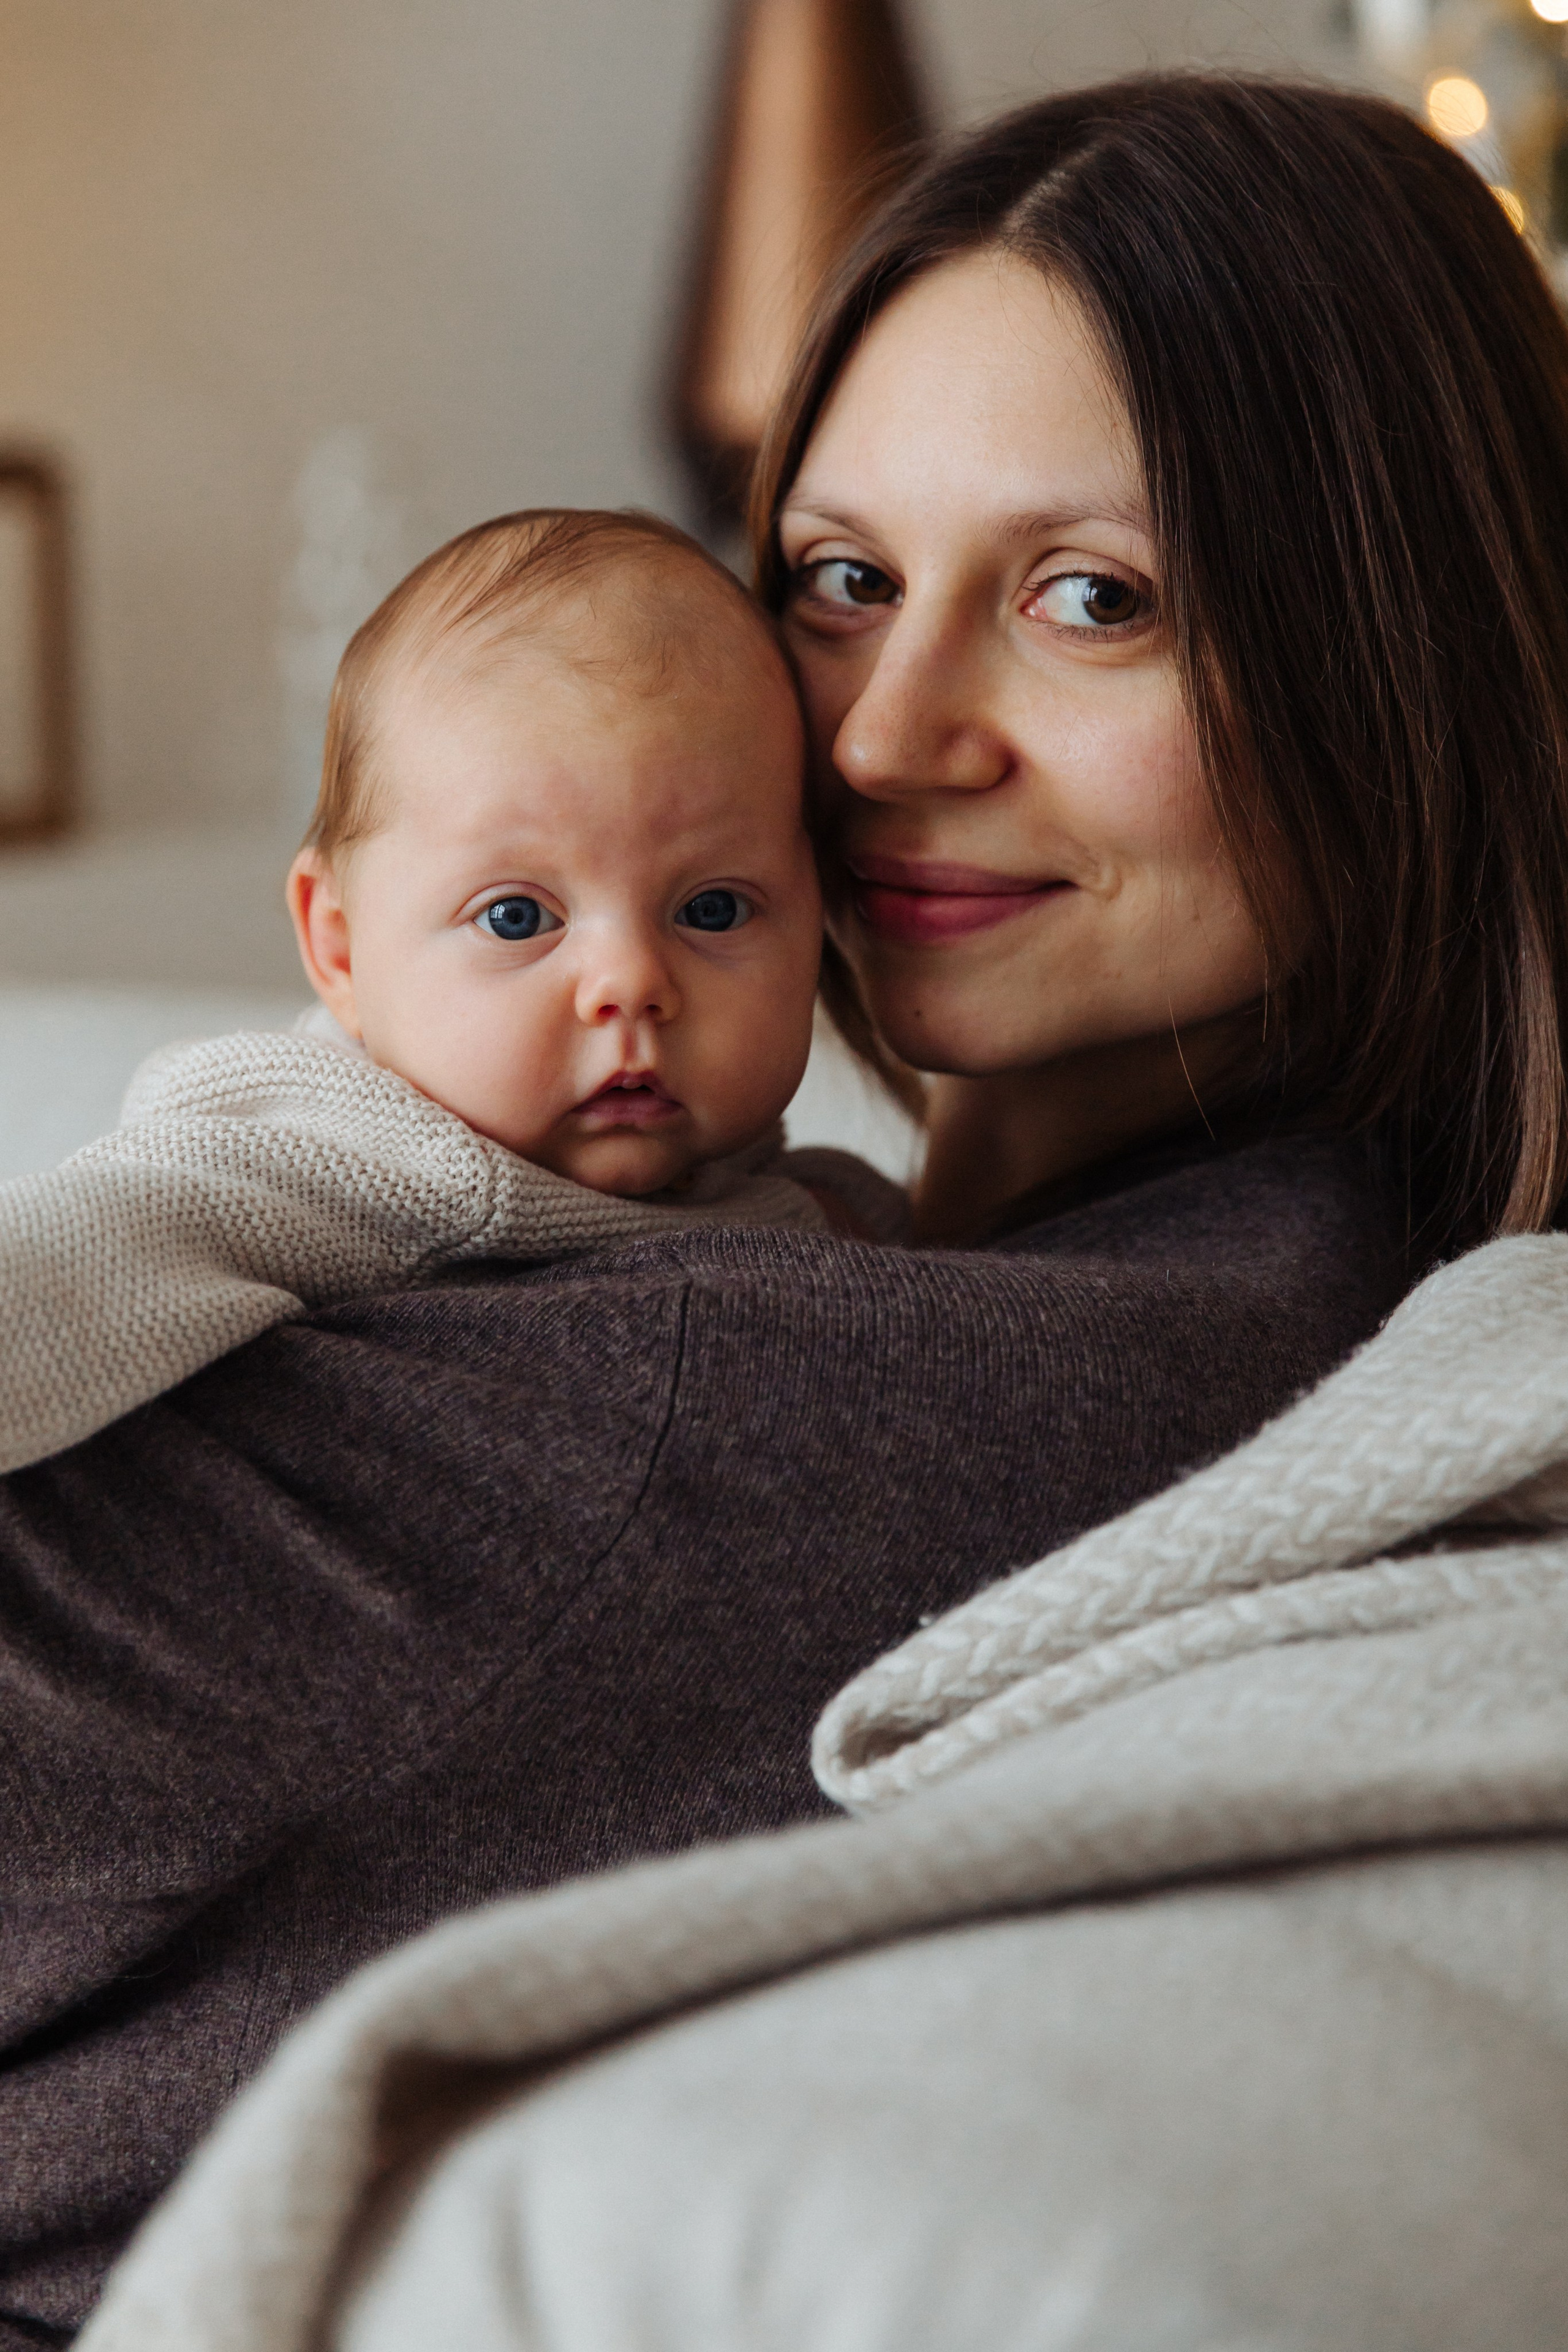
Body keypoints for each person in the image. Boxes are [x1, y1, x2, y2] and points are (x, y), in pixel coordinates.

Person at [9, 65, 1558, 2345]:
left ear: (1398, 670)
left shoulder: (757, 1373)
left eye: (1092, 599)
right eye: (840, 581)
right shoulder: (871, 1240)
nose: (877, 737)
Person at [0, 507, 887, 1481]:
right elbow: (92, 1252)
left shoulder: (793, 1189)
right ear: (338, 950)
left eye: (714, 909)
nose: (632, 983)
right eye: (517, 918)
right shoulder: (343, 1162)